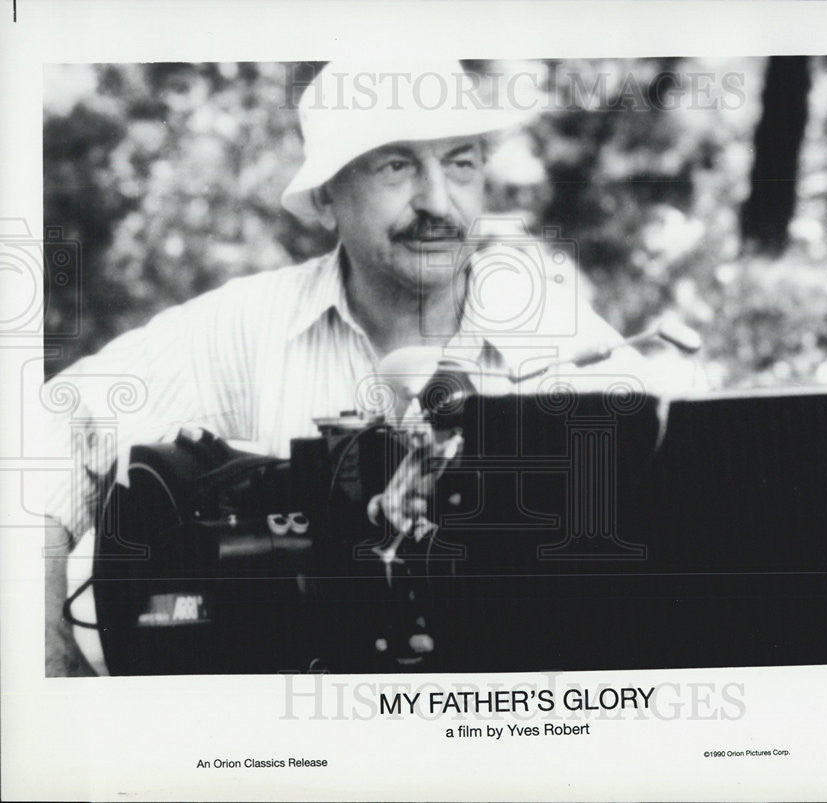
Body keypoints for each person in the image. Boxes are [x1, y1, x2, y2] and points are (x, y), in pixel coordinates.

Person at [44, 61, 702, 675]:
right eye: (396, 166)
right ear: (327, 198)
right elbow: (42, 430)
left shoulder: (555, 332)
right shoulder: (247, 325)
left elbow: (677, 512)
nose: (439, 202)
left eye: (461, 163)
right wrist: (50, 681)